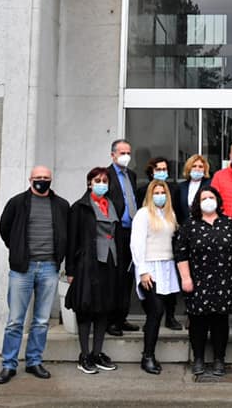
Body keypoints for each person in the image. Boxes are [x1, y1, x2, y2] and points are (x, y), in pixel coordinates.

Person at [0, 165, 70, 384]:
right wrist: (17, 249)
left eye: (46, 177)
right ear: (30, 179)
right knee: (15, 321)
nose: (42, 180)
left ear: (51, 180)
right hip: (23, 269)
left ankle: (34, 361)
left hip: (49, 268)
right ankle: (8, 365)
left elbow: (66, 233)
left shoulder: (61, 205)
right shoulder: (17, 202)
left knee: (41, 321)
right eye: (38, 177)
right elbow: (4, 228)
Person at [174, 187, 232, 377]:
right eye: (204, 198)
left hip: (223, 281)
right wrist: (186, 278)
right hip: (197, 281)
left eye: (211, 197)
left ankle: (219, 359)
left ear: (218, 200)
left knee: (220, 322)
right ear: (198, 202)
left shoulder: (227, 223)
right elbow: (181, 253)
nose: (208, 201)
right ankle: (199, 358)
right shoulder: (190, 225)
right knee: (198, 322)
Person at [64, 167, 122, 375]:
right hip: (87, 264)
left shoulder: (112, 205)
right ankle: (84, 355)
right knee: (85, 308)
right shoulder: (79, 207)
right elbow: (72, 240)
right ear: (89, 183)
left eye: (105, 181)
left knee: (104, 309)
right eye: (97, 180)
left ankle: (97, 353)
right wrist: (70, 270)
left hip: (110, 263)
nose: (102, 184)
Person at [131, 179, 180, 374]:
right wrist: (142, 271)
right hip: (149, 268)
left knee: (159, 311)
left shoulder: (170, 214)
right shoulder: (143, 214)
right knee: (156, 310)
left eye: (163, 193)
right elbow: (136, 243)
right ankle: (147, 356)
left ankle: (149, 352)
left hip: (167, 266)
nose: (160, 196)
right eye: (156, 193)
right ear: (150, 195)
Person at [138, 157, 182, 331]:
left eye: (164, 169)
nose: (162, 172)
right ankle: (151, 319)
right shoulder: (142, 191)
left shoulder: (174, 189)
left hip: (170, 241)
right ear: (151, 172)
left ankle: (170, 317)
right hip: (152, 244)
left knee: (171, 285)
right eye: (158, 169)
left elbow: (178, 213)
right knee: (151, 291)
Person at [105, 139, 140, 336]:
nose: (126, 156)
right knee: (114, 277)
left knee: (127, 276)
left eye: (128, 152)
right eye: (122, 153)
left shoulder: (131, 175)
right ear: (113, 155)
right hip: (115, 231)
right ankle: (111, 320)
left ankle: (122, 317)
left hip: (131, 232)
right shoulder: (105, 175)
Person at [175, 154, 211, 225]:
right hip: (186, 225)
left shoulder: (210, 184)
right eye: (194, 166)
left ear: (205, 169)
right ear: (189, 168)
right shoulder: (181, 187)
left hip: (204, 225)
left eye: (200, 166)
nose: (197, 169)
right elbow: (177, 209)